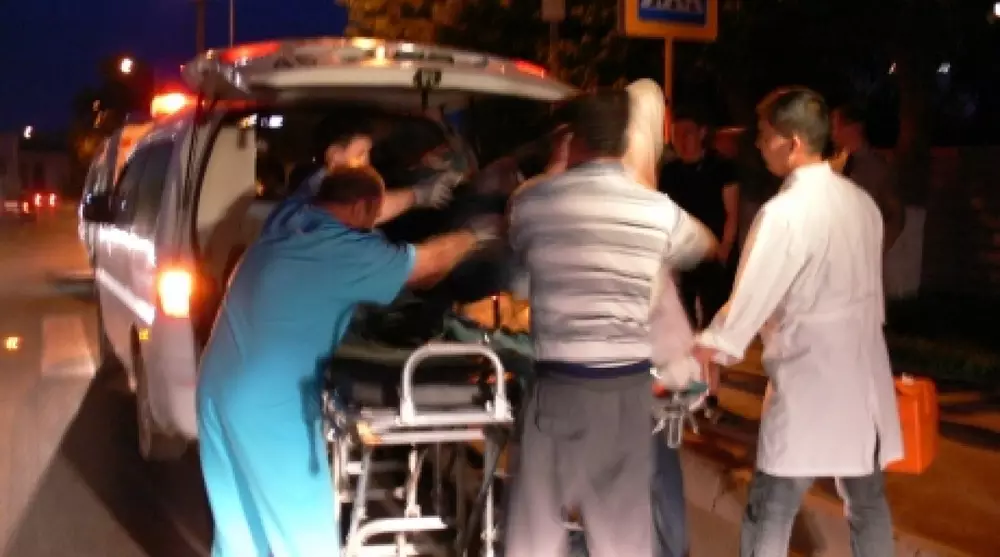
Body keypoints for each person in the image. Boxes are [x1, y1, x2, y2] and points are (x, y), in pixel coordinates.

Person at [196, 165, 497, 555]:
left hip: (216, 386)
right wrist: (475, 235)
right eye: (371, 216)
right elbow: (425, 266)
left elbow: (366, 204)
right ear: (360, 208)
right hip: (269, 406)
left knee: (241, 530)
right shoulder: (347, 252)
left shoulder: (293, 217)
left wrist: (419, 195)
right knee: (304, 534)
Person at [502, 89, 714, 557]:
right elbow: (704, 244)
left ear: (573, 139)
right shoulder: (657, 210)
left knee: (535, 536)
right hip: (626, 393)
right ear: (624, 140)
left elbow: (518, 276)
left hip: (560, 388)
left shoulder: (533, 203)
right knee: (621, 541)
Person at [693, 87, 903, 557]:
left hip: (809, 377)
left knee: (772, 506)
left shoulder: (783, 213)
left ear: (792, 143)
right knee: (867, 504)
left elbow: (752, 297)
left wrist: (713, 344)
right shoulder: (862, 205)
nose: (758, 144)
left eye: (764, 135)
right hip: (862, 377)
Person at [659, 106, 740, 328]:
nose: (681, 140)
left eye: (687, 133)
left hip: (714, 251)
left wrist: (725, 248)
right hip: (682, 252)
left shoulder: (721, 167)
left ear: (702, 133)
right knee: (683, 316)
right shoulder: (669, 172)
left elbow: (732, 212)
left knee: (714, 314)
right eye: (676, 134)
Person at [831, 103, 906, 253]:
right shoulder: (837, 164)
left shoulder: (875, 167)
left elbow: (895, 214)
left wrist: (878, 249)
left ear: (853, 127)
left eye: (836, 126)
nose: (832, 134)